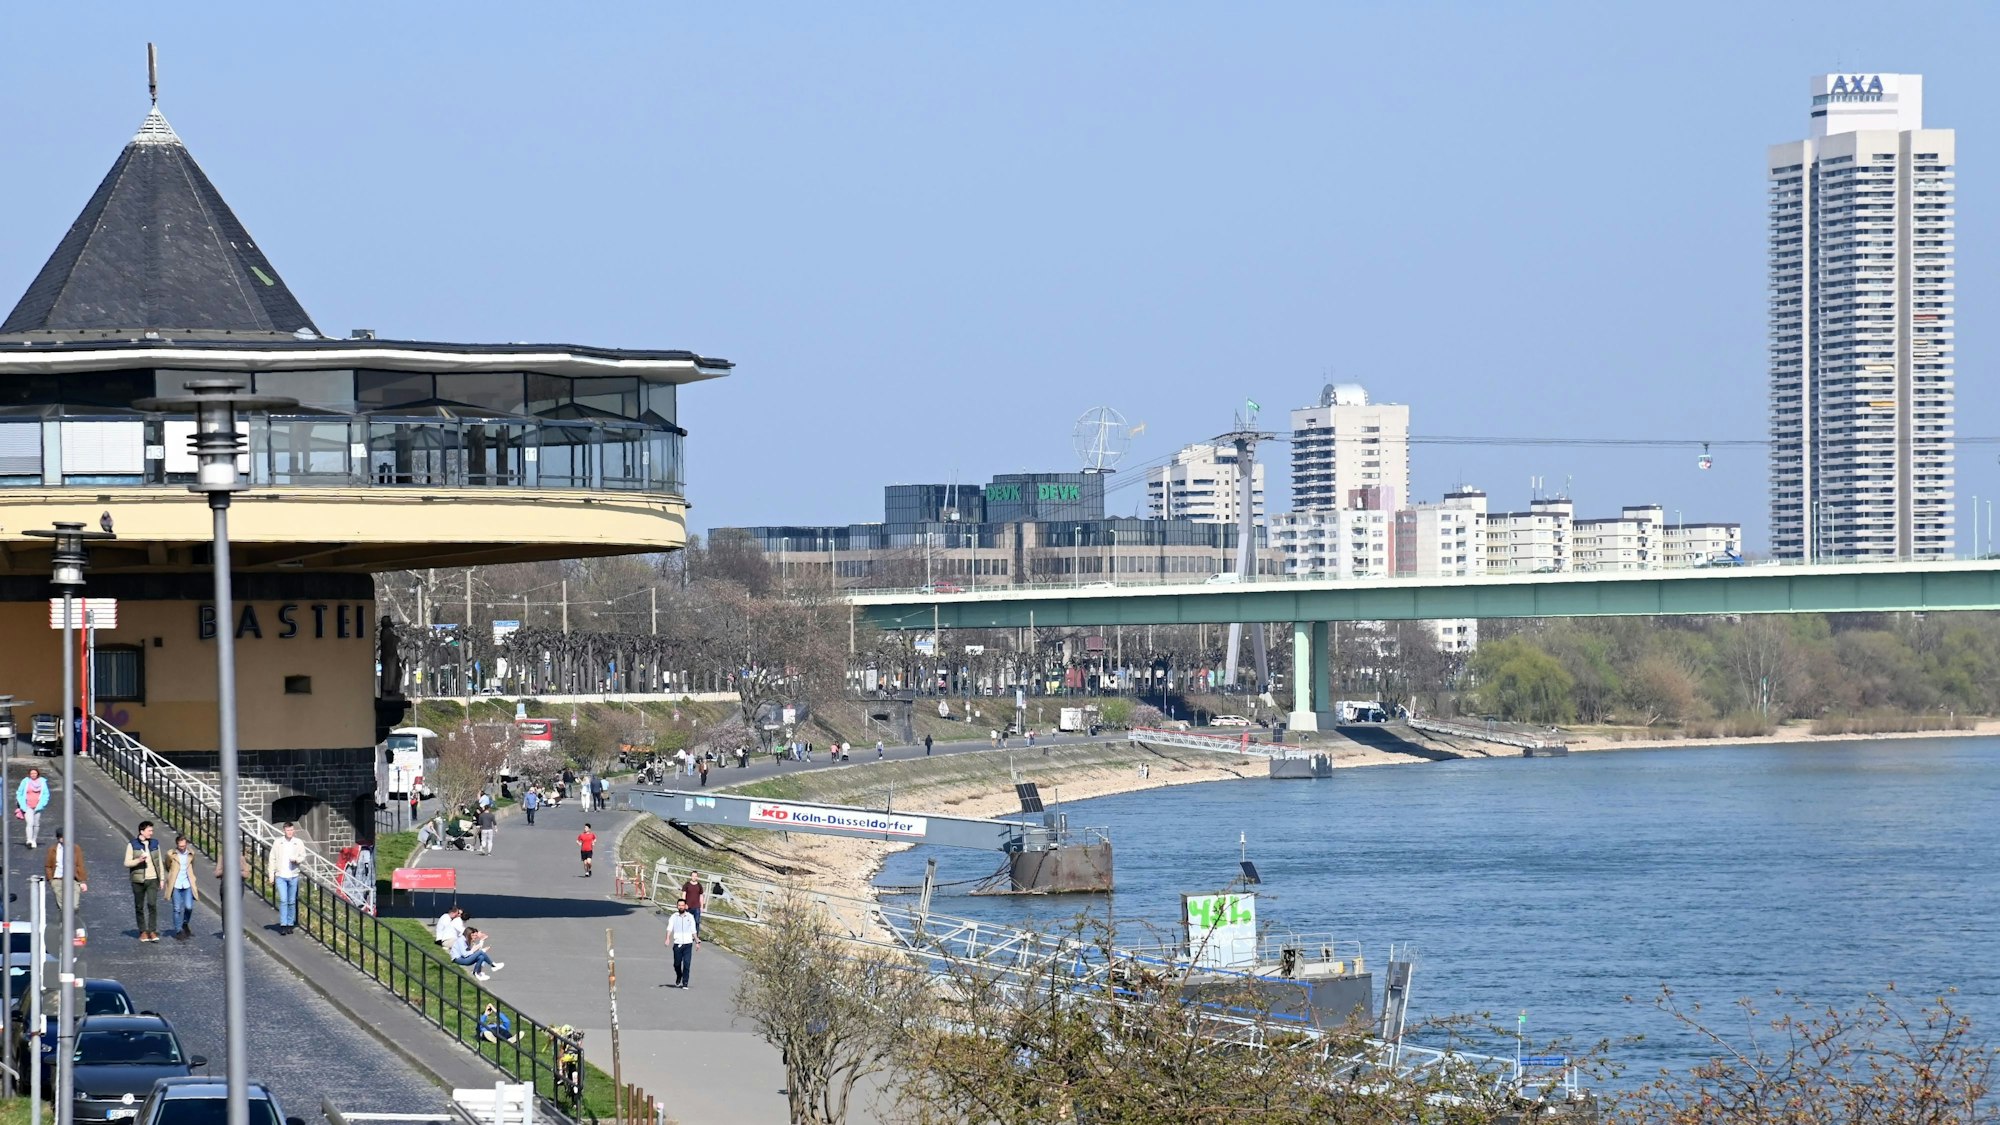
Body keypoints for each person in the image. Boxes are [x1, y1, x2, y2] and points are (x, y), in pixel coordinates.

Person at [123, 820, 165, 942]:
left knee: (152, 904)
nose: (151, 833)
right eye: (149, 830)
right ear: (142, 831)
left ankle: (152, 931)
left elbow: (159, 863)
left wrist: (161, 878)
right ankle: (142, 931)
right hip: (138, 880)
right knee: (139, 906)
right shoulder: (132, 845)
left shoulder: (155, 844)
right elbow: (126, 863)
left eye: (152, 830)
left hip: (153, 879)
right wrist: (138, 860)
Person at [267, 821, 309, 934]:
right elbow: (272, 859)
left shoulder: (298, 842)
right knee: (283, 900)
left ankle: (290, 923)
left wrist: (297, 860)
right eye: (288, 830)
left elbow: (303, 856)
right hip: (281, 875)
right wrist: (271, 875)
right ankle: (283, 924)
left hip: (293, 875)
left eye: (292, 830)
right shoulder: (278, 843)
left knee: (291, 901)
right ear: (284, 831)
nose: (290, 832)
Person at [165, 834, 199, 941]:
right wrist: (172, 875)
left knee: (189, 907)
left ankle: (185, 923)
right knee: (177, 909)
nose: (182, 848)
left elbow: (192, 865)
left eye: (184, 846)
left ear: (187, 844)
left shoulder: (191, 854)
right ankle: (178, 930)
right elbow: (167, 865)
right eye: (180, 846)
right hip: (176, 885)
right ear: (177, 845)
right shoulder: (171, 854)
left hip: (187, 884)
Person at [665, 897, 698, 988]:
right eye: (679, 905)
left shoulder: (690, 917)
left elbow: (693, 930)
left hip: (688, 943)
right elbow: (669, 928)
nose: (681, 907)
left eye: (682, 905)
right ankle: (679, 975)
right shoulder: (674, 916)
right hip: (678, 943)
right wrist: (667, 938)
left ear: (685, 906)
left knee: (687, 964)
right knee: (677, 964)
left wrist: (697, 941)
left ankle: (685, 982)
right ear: (677, 906)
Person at [15, 767, 51, 849]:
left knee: (36, 824)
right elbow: (19, 793)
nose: (33, 775)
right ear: (29, 774)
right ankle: (29, 840)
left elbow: (46, 794)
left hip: (38, 806)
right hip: (27, 806)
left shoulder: (42, 782)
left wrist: (42, 804)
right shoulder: (25, 781)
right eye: (31, 773)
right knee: (30, 823)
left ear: (37, 774)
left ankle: (34, 840)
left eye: (35, 773)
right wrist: (21, 803)